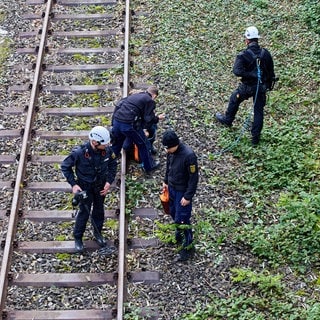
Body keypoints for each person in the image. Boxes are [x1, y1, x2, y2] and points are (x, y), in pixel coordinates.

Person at [215, 26, 276, 145]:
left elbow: (237, 71)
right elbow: (271, 72)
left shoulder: (243, 55)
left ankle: (228, 120)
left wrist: (250, 74)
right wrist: (267, 84)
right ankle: (255, 138)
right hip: (261, 87)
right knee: (258, 111)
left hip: (247, 86)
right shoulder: (266, 53)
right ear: (257, 39)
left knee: (234, 98)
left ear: (247, 40)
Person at [61, 126, 117, 252]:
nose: (107, 146)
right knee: (84, 213)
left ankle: (97, 233)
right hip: (85, 187)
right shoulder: (79, 153)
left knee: (99, 210)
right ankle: (78, 237)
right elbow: (65, 167)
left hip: (100, 187)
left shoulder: (107, 151)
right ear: (94, 142)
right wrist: (74, 184)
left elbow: (113, 164)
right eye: (104, 144)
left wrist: (109, 182)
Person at [162, 130, 199, 262]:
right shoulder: (171, 153)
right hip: (172, 188)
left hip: (182, 192)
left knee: (182, 219)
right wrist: (166, 181)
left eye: (168, 148)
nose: (166, 151)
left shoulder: (189, 156)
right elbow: (169, 167)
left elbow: (193, 178)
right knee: (172, 212)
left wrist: (188, 196)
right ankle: (179, 235)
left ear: (175, 144)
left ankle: (187, 246)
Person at [111, 85, 165, 173]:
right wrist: (157, 118)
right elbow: (148, 119)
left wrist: (113, 124)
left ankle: (109, 163)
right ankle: (149, 166)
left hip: (117, 121)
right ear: (154, 95)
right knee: (142, 144)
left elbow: (119, 105)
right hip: (128, 125)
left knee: (116, 145)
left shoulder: (134, 96)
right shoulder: (149, 100)